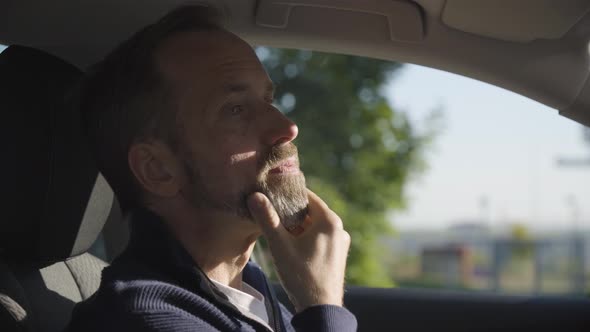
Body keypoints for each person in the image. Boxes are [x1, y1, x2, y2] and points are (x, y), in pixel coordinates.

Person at [67, 4, 357, 332]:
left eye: (268, 100)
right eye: (235, 109)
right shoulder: (141, 321)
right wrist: (322, 306)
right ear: (157, 169)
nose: (287, 126)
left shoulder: (247, 295)